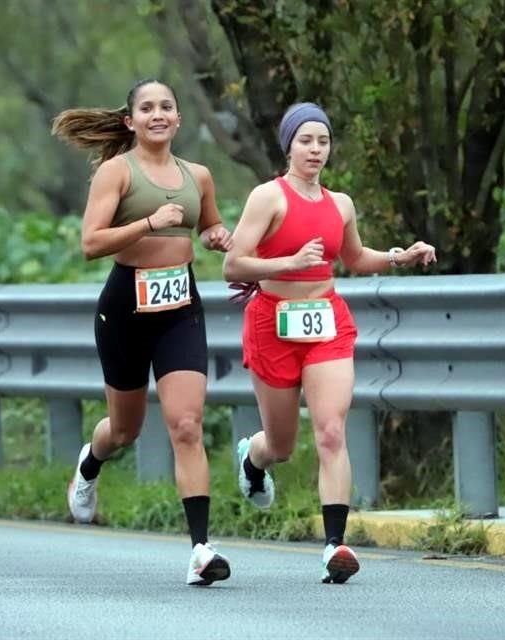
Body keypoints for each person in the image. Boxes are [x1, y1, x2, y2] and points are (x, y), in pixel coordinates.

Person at [223, 102, 436, 584]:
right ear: (288, 146)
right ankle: (253, 458)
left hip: (326, 325)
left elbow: (356, 257)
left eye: (323, 141)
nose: (315, 150)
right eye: (306, 141)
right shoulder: (267, 198)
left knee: (331, 431)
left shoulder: (340, 204)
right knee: (281, 444)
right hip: (273, 324)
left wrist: (401, 256)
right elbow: (233, 265)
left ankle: (335, 545)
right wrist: (287, 264)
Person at [52, 79, 234, 586]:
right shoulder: (117, 172)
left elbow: (209, 227)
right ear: (130, 121)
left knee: (187, 424)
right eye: (147, 108)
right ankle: (90, 463)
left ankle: (200, 548)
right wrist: (149, 222)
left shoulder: (198, 175)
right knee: (125, 430)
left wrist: (217, 236)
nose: (158, 114)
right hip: (124, 310)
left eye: (167, 107)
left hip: (180, 309)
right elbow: (91, 242)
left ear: (178, 119)